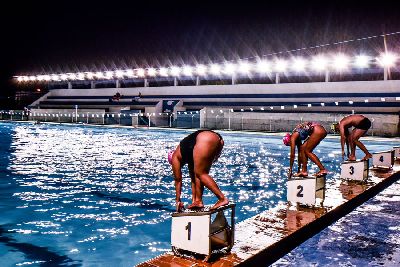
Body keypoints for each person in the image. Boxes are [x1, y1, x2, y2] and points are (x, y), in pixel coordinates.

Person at [168, 130, 228, 212]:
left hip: (205, 138)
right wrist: (194, 200)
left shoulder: (175, 156)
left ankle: (222, 198)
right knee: (198, 174)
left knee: (201, 174)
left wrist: (178, 201)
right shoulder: (189, 154)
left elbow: (178, 180)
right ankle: (198, 201)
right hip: (216, 139)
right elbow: (194, 179)